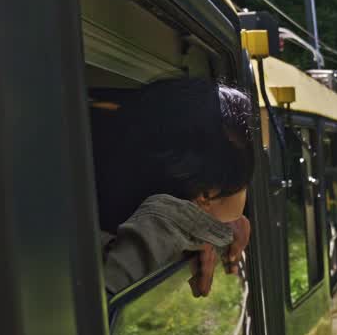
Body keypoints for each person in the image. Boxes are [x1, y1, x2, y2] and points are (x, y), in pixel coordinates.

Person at [97, 78, 255, 297]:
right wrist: (212, 230)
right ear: (207, 194)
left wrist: (226, 224)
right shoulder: (162, 229)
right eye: (246, 181)